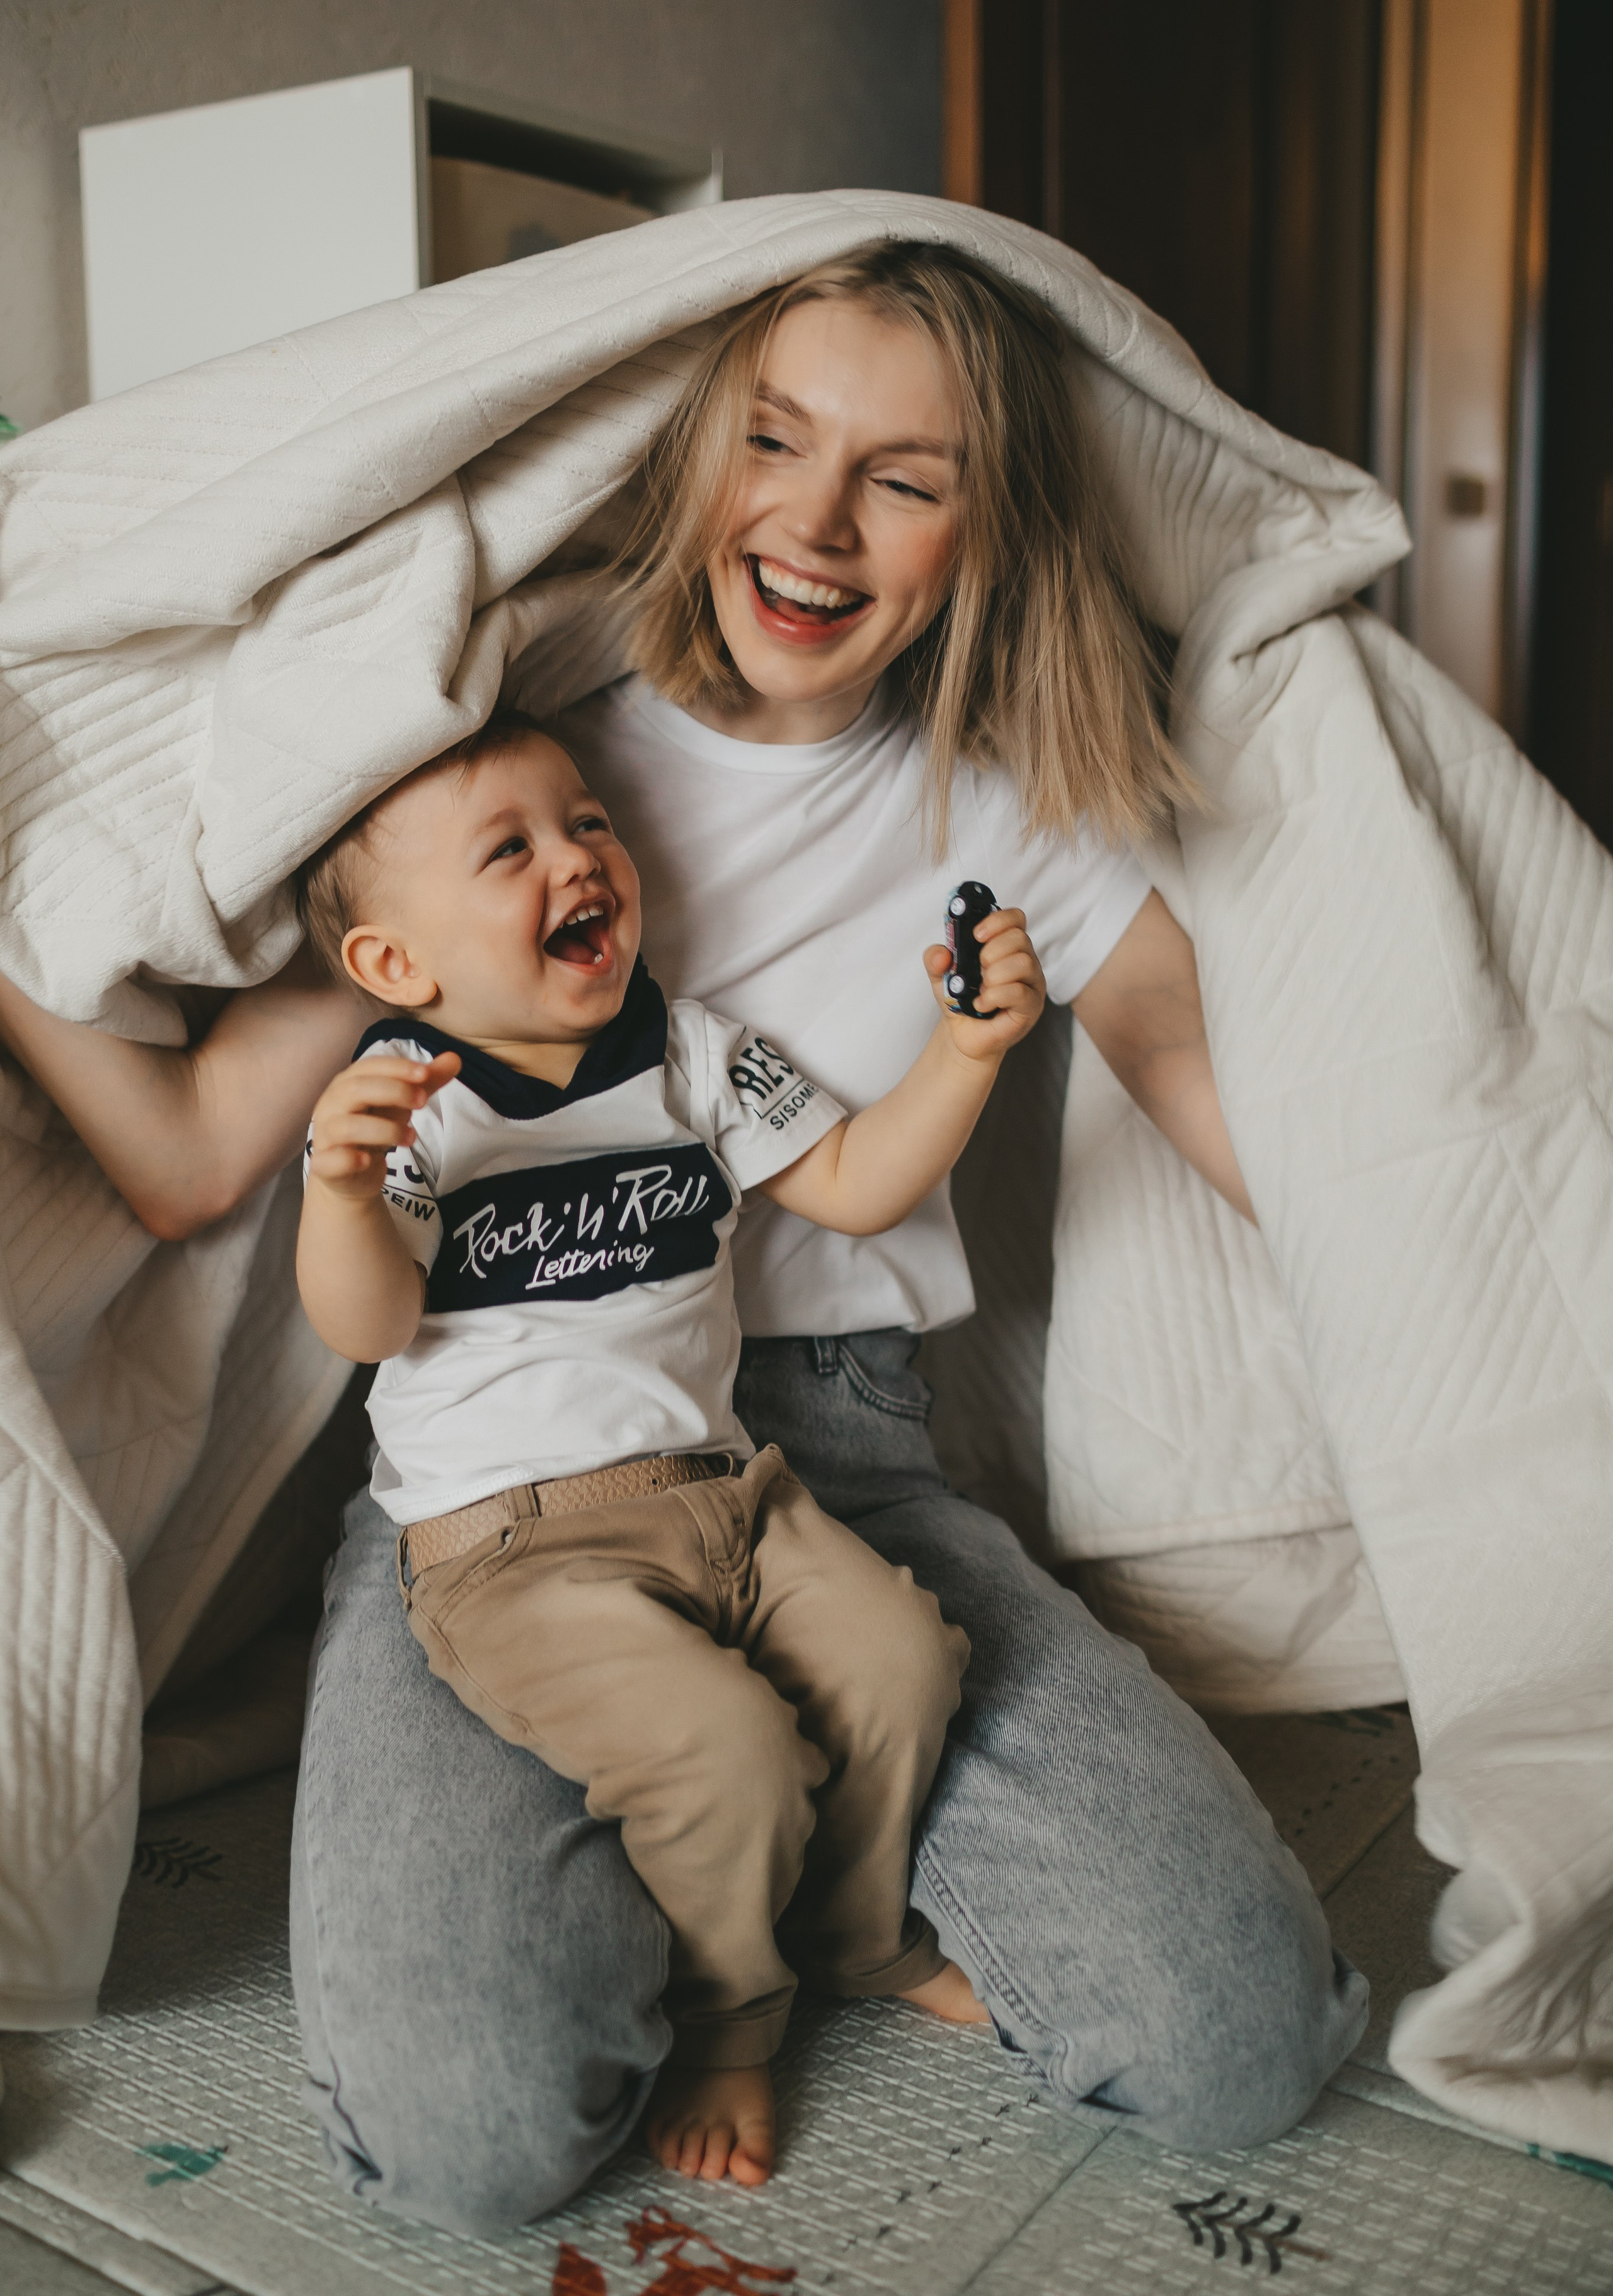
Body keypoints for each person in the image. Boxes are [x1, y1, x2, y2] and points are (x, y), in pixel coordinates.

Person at [0, 238, 1366, 2234]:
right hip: (488, 1498)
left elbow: (1202, 1100)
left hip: (824, 1458)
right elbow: (196, 1155)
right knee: (466, 2143)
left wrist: (1439, 1278)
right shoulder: (510, 757)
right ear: (695, 452)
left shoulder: (1015, 805)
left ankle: (780, 1891)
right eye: (775, 442)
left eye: (902, 477)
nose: (813, 522)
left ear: (985, 523)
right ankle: (669, 1829)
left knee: (1242, 2038)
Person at [294, 709, 1048, 2183]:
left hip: (730, 1496)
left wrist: (968, 1048)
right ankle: (729, 2018)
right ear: (398, 965)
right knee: (725, 1751)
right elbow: (370, 1323)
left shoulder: (694, 1049)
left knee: (902, 1661)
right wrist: (336, 1189)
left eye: (585, 823)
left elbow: (851, 1181)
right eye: (508, 851)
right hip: (513, 1548)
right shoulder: (407, 1106)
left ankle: (855, 1934)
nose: (577, 860)